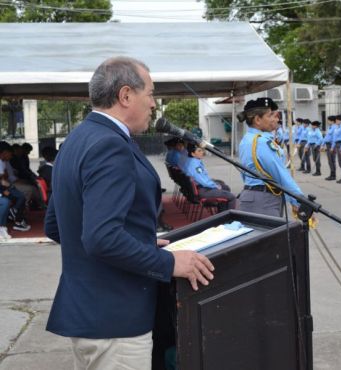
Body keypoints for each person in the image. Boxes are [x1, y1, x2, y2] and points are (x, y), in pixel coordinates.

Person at [44, 56, 214, 370]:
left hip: (90, 314)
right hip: (116, 320)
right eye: (150, 94)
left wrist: (140, 242)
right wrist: (168, 262)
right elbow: (101, 237)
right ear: (125, 95)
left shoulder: (77, 140)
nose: (154, 104)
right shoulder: (111, 146)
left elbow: (57, 226)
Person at [237, 97, 305, 217]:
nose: (276, 119)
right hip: (264, 200)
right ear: (258, 120)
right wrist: (300, 201)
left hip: (252, 195)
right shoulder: (262, 142)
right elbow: (280, 174)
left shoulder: (248, 139)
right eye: (271, 115)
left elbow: (245, 173)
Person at [184, 143, 236, 210]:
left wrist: (214, 184)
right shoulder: (195, 165)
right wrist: (215, 185)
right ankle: (228, 218)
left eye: (202, 150)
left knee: (225, 187)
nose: (202, 152)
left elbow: (203, 178)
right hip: (204, 190)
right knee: (232, 197)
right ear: (193, 154)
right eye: (199, 151)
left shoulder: (194, 161)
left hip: (203, 188)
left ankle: (222, 214)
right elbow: (203, 181)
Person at [331, 114, 341, 183]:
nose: (336, 121)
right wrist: (332, 146)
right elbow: (335, 138)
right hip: (337, 144)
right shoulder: (337, 127)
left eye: (337, 120)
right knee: (340, 162)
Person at [321, 115, 337, 180]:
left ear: (332, 121)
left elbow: (334, 138)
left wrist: (332, 147)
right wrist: (323, 144)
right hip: (327, 144)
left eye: (328, 120)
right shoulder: (329, 127)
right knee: (330, 161)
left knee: (332, 160)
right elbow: (326, 137)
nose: (327, 121)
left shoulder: (334, 128)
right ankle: (332, 174)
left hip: (331, 145)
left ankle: (333, 175)